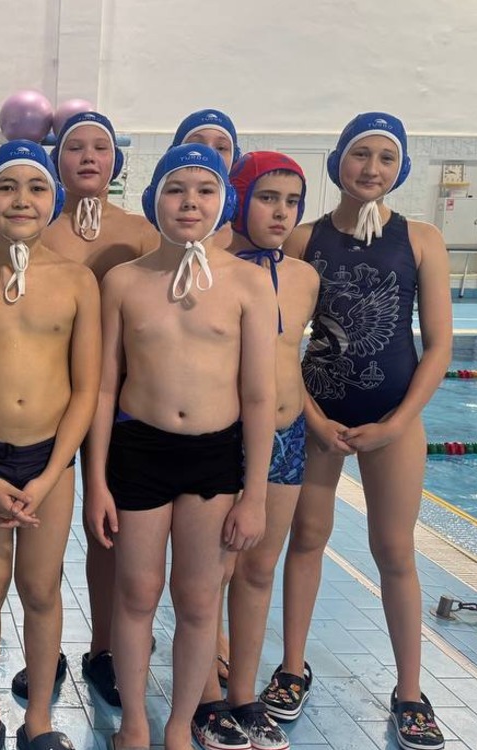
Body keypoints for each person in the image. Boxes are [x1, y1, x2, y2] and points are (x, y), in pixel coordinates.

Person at [84, 144, 275, 750]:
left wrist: (256, 494)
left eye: (204, 190)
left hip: (214, 456)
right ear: (154, 200)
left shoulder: (248, 283)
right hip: (139, 451)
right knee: (136, 593)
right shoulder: (124, 281)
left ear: (224, 201)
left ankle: (178, 728)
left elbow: (259, 396)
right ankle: (135, 725)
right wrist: (95, 482)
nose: (190, 202)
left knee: (197, 600)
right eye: (176, 189)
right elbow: (103, 387)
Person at [271, 113, 451, 750]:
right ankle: (292, 667)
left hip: (394, 417)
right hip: (318, 413)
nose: (372, 168)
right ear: (338, 162)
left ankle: (411, 691)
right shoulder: (304, 238)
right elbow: (281, 343)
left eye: (385, 157)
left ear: (400, 167)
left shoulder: (421, 239)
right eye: (360, 154)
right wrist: (312, 418)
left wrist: (397, 424)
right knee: (307, 538)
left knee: (395, 551)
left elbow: (439, 345)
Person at [0, 140, 100, 750]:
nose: (21, 199)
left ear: (53, 197)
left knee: (40, 588)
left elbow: (86, 390)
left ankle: (39, 721)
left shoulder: (78, 280)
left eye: (35, 187)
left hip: (49, 460)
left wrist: (52, 473)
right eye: (7, 187)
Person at [19, 109, 157, 708]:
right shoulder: (38, 232)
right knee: (41, 539)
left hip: (122, 403)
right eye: (76, 147)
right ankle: (42, 650)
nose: (89, 157)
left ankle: (103, 648)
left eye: (100, 147)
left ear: (115, 160)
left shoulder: (142, 232)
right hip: (56, 401)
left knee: (109, 532)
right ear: (59, 161)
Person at [193, 151, 319, 750]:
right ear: (239, 198)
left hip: (288, 436)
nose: (281, 212)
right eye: (268, 197)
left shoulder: (304, 277)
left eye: (292, 201)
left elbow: (291, 360)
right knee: (213, 573)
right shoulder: (209, 268)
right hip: (229, 439)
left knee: (260, 568)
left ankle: (243, 694)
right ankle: (204, 698)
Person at [171, 109, 243, 251]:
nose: (210, 153)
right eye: (197, 146)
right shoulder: (153, 231)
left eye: (221, 147)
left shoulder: (246, 234)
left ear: (235, 158)